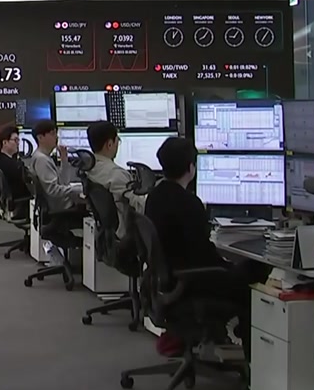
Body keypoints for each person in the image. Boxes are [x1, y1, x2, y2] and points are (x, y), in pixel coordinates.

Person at [145, 137, 265, 356]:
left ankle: (223, 340)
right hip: (192, 281)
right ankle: (253, 360)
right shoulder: (189, 203)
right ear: (191, 168)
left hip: (171, 280)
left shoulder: (155, 196)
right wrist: (230, 267)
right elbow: (204, 256)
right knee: (257, 274)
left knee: (245, 270)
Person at [83, 121, 146, 238]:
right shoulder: (116, 174)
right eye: (118, 141)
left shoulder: (89, 169)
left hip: (105, 234)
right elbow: (140, 206)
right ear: (109, 144)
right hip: (124, 234)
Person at [21, 120, 82, 211]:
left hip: (59, 204)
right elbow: (53, 190)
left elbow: (63, 183)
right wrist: (77, 189)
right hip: (60, 207)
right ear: (40, 137)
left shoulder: (44, 157)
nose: (56, 137)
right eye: (52, 134)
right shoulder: (42, 160)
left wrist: (64, 160)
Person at [0, 126, 30, 203]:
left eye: (18, 140)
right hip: (20, 200)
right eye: (15, 140)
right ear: (5, 142)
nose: (18, 143)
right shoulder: (10, 164)